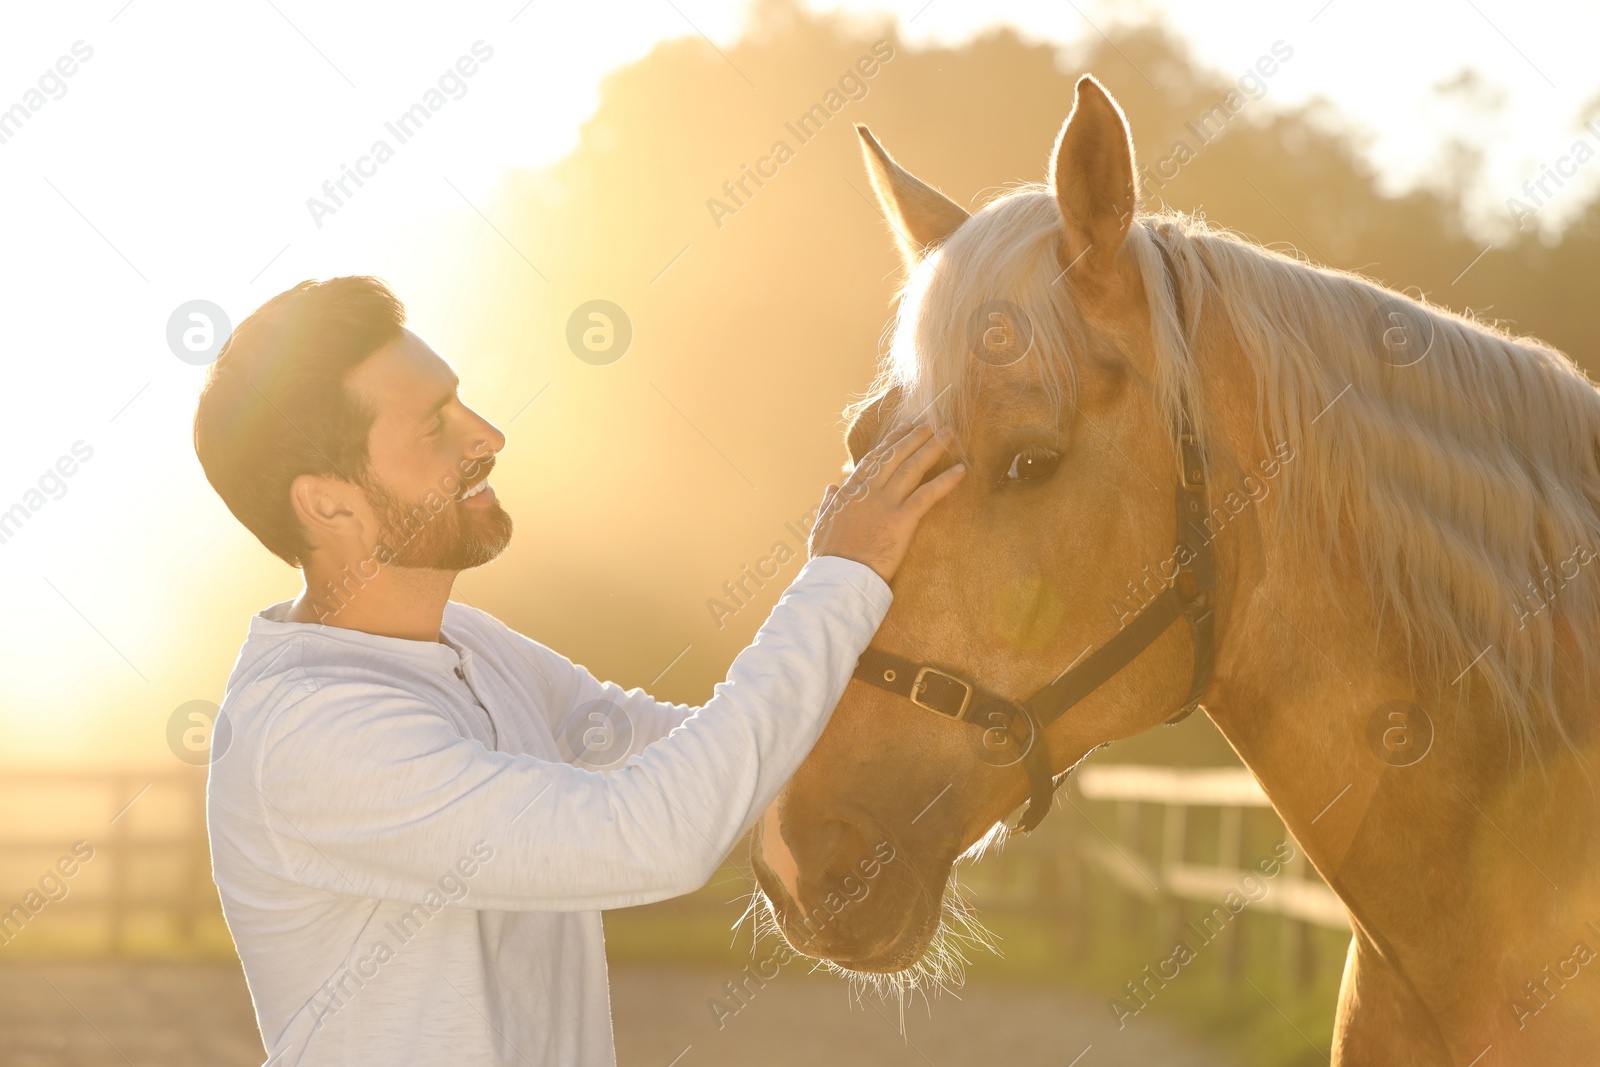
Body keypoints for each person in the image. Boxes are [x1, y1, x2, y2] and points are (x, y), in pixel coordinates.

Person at [191, 275, 964, 1066]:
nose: (487, 433)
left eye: (460, 401)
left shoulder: (469, 646)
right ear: (328, 506)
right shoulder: (310, 733)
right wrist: (839, 577)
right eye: (434, 425)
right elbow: (654, 831)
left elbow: (695, 754)